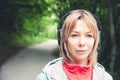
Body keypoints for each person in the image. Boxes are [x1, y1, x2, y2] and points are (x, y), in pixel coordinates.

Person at [36, 9, 113, 80]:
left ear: (96, 40)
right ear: (63, 39)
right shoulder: (45, 78)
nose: (82, 43)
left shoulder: (106, 78)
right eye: (74, 35)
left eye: (89, 35)